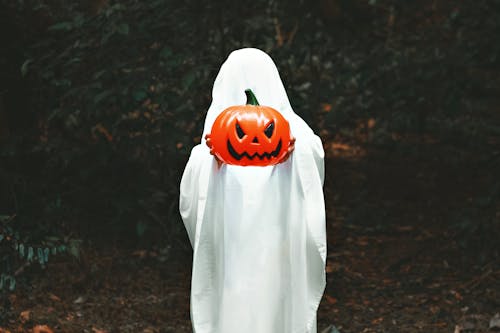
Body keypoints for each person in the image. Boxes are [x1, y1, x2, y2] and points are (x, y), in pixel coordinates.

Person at [179, 48, 326, 333]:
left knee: (274, 299)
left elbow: (311, 154)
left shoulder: (293, 130)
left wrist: (294, 155)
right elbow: (195, 185)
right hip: (232, 242)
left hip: (278, 240)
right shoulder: (216, 134)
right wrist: (212, 161)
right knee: (237, 301)